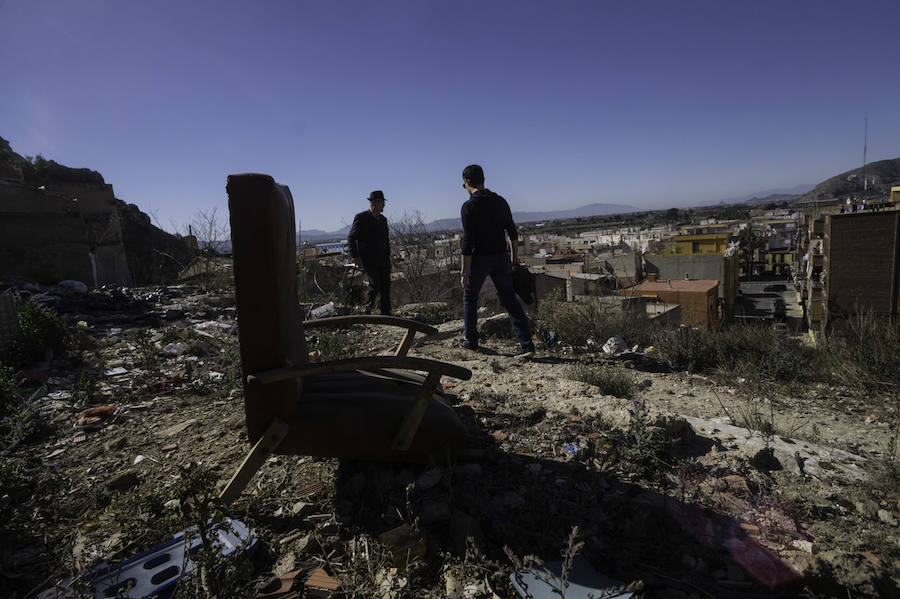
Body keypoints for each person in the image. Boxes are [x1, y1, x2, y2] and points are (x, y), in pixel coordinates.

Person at [458, 164, 535, 358]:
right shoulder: (500, 201)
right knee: (510, 300)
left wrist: (464, 271)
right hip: (501, 257)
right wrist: (514, 260)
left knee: (470, 297)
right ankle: (527, 345)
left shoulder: (469, 206)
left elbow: (467, 243)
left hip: (479, 258)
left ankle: (471, 341)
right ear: (483, 179)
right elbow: (513, 233)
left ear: (467, 182)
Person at [348, 190, 392, 315]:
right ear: (375, 203)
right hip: (369, 260)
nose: (384, 205)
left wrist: (388, 256)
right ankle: (367, 312)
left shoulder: (383, 220)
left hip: (383, 260)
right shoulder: (361, 218)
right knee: (374, 285)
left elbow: (386, 240)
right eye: (382, 203)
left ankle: (386, 313)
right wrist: (355, 256)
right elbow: (351, 238)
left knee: (386, 286)